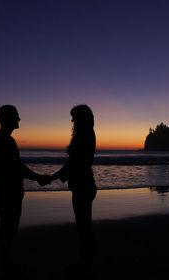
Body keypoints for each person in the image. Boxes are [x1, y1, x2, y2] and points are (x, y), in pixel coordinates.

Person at [0, 105, 51, 276]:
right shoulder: (5, 140)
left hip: (4, 191)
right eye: (16, 116)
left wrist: (36, 177)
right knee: (8, 228)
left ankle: (5, 262)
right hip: (8, 192)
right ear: (7, 118)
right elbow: (17, 167)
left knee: (7, 227)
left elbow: (16, 167)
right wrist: (39, 177)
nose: (19, 119)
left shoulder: (2, 139)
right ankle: (5, 265)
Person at [51, 104, 97, 270]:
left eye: (74, 117)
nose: (72, 120)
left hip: (82, 185)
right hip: (86, 184)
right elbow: (76, 163)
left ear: (81, 118)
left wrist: (54, 177)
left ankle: (85, 262)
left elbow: (74, 163)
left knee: (82, 225)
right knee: (85, 224)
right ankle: (88, 257)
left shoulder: (82, 136)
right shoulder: (88, 134)